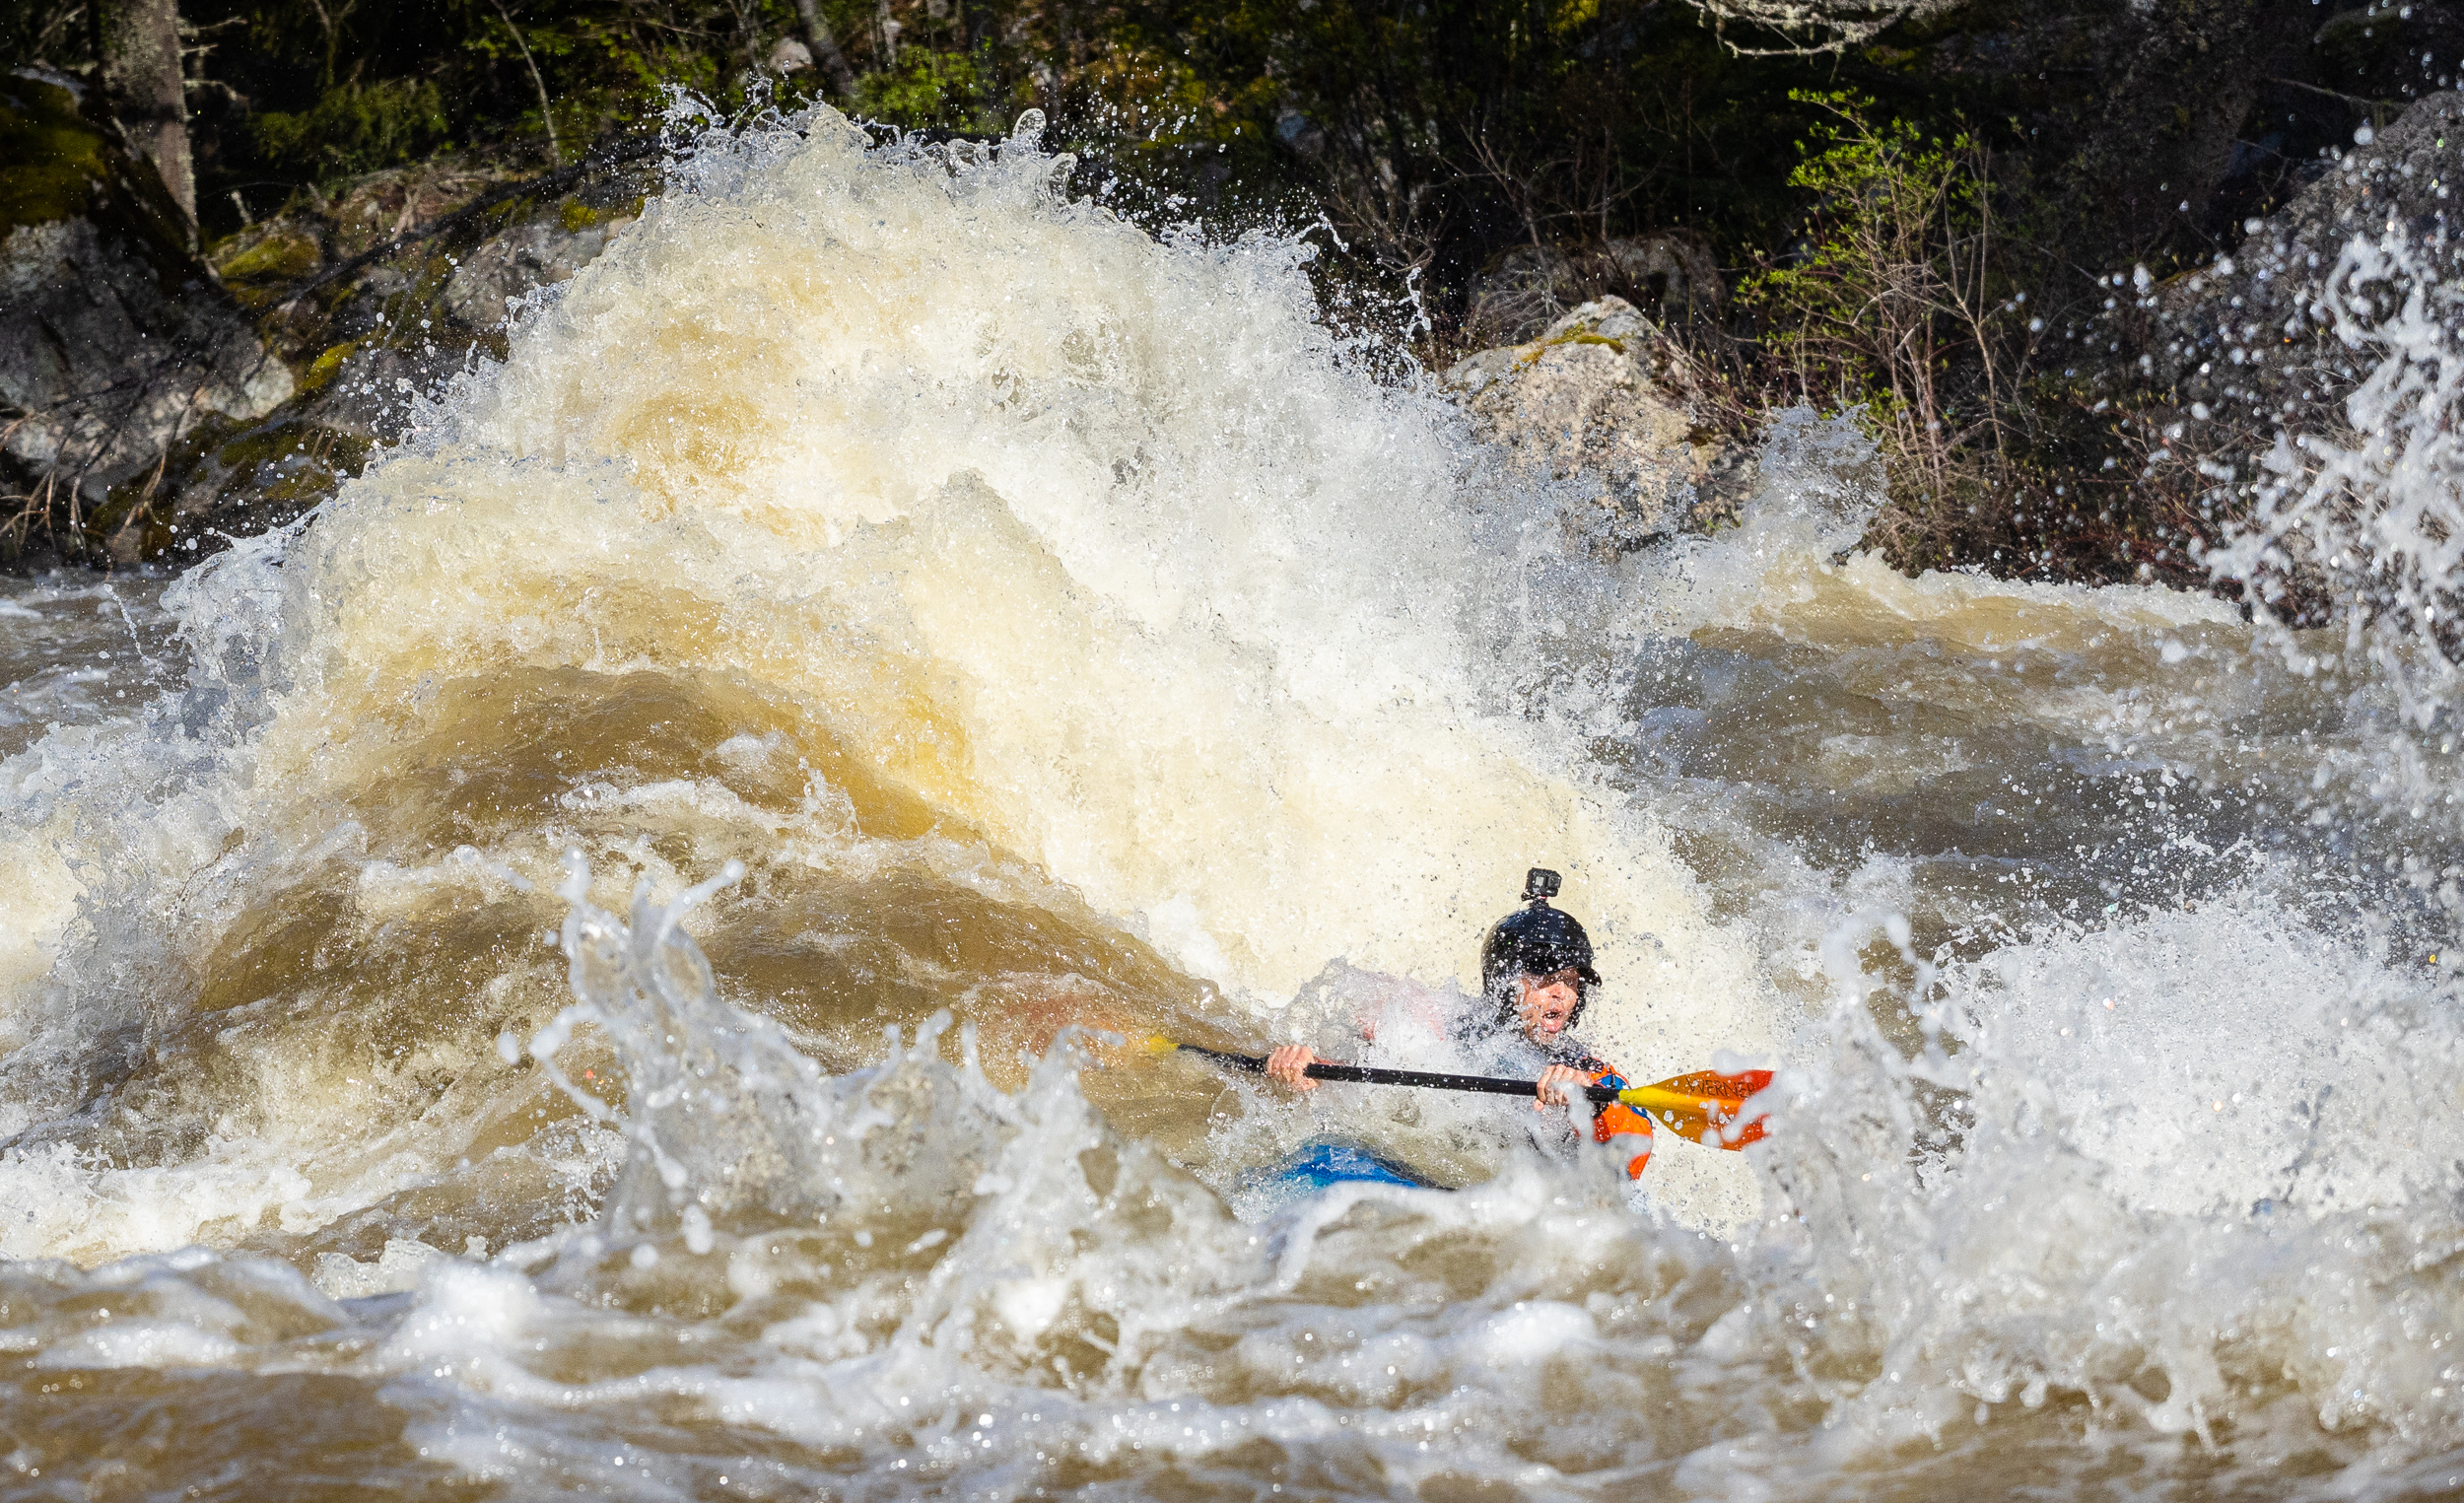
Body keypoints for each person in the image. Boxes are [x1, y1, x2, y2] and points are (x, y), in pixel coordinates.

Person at [1265, 867, 1658, 1178]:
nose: (1560, 994)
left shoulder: (1585, 1069)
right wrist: (1310, 1069)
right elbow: (1372, 1077)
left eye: (1570, 981)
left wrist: (1591, 1101)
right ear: (1505, 980)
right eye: (1544, 978)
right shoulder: (1452, 1029)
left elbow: (1633, 1156)